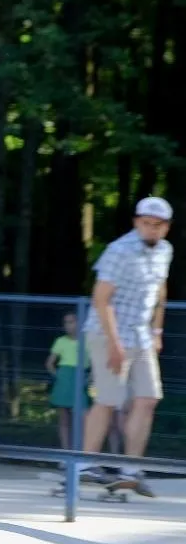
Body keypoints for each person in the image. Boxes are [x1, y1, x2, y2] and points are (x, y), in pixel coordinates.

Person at [79, 196, 174, 495]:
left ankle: (130, 468)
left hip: (141, 334)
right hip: (108, 332)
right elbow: (101, 299)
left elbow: (160, 289)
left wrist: (157, 329)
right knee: (109, 398)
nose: (151, 230)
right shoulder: (119, 250)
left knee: (148, 398)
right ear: (136, 222)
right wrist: (115, 345)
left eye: (157, 226)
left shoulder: (165, 251)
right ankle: (85, 464)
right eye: (146, 224)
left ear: (166, 228)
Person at [45, 310, 89, 450]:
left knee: (82, 418)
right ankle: (65, 451)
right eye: (66, 322)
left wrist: (89, 379)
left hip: (80, 378)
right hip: (64, 378)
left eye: (72, 321)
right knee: (64, 418)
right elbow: (49, 363)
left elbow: (97, 363)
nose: (69, 325)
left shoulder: (87, 340)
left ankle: (82, 452)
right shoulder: (60, 341)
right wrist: (59, 377)